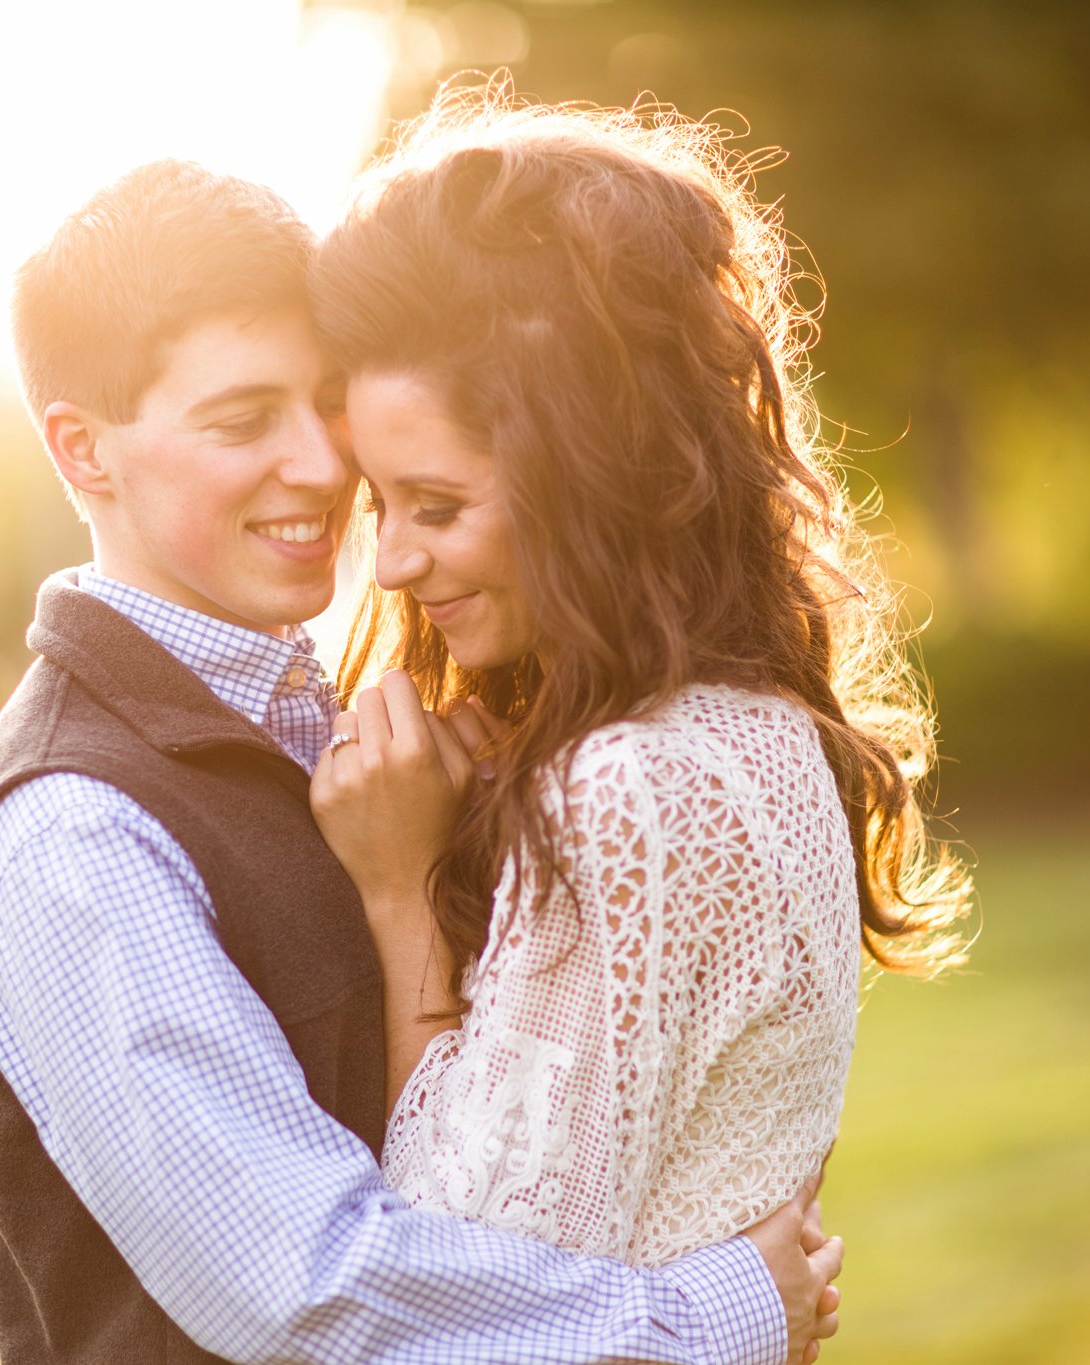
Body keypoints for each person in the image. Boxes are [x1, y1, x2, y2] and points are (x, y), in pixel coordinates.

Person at [0, 159, 842, 1365]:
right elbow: (301, 1286)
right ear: (82, 452)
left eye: (324, 404)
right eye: (243, 421)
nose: (321, 466)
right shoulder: (68, 834)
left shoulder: (366, 729)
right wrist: (716, 1313)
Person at [307, 89, 974, 1268]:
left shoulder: (624, 786)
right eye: (381, 506)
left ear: (584, 479)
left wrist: (400, 893)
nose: (396, 563)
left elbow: (460, 1270)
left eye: (438, 505)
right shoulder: (759, 731)